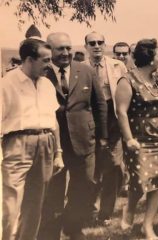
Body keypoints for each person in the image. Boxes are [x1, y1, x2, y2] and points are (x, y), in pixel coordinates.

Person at [38, 32, 108, 240]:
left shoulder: (85, 70)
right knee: (53, 191)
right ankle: (49, 234)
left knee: (86, 184)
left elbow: (100, 105)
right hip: (54, 142)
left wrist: (102, 137)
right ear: (50, 50)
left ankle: (72, 226)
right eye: (60, 49)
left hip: (84, 139)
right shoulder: (42, 73)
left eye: (68, 48)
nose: (66, 53)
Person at [116, 38, 158, 240]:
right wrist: (128, 139)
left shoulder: (157, 78)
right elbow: (121, 112)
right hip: (138, 137)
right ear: (151, 58)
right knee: (140, 180)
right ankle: (130, 207)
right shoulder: (127, 80)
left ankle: (147, 225)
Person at [1, 38, 62, 240]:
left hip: (45, 144)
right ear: (29, 59)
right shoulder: (7, 84)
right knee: (10, 206)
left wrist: (58, 153)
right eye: (45, 60)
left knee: (35, 205)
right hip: (17, 144)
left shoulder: (46, 84)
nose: (49, 65)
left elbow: (54, 122)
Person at [83, 31, 128, 225]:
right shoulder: (81, 68)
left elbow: (127, 93)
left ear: (105, 44)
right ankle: (89, 209)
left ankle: (106, 213)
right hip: (90, 119)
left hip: (113, 119)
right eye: (91, 43)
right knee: (91, 168)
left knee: (114, 166)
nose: (96, 46)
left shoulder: (118, 66)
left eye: (100, 42)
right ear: (86, 47)